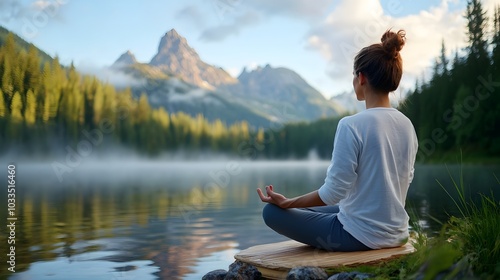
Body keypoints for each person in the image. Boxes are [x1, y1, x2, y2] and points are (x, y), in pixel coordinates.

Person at [257, 29, 418, 252]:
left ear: (361, 78)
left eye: (354, 75)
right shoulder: (407, 125)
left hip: (359, 237)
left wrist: (287, 202)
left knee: (272, 212)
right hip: (398, 233)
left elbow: (333, 193)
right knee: (334, 206)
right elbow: (402, 180)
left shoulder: (351, 125)